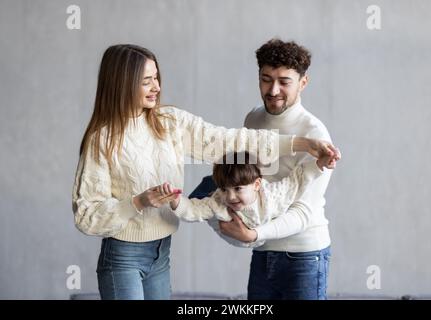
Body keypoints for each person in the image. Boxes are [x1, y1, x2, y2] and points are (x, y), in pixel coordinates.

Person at [71, 44, 340, 300]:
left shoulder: (170, 122)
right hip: (123, 256)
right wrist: (139, 202)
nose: (157, 87)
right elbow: (86, 216)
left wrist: (301, 144)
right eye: (146, 81)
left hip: (161, 253)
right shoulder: (102, 140)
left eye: (157, 78)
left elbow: (230, 141)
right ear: (122, 84)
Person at [194, 39, 337, 300]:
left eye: (284, 81)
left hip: (304, 254)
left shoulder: (315, 133)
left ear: (303, 82)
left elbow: (304, 211)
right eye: (266, 79)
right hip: (262, 252)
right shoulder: (253, 119)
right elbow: (247, 180)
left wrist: (253, 234)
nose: (273, 90)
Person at [159, 151, 328, 248]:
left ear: (256, 185)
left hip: (254, 234)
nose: (231, 196)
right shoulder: (219, 200)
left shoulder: (270, 197)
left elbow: (295, 181)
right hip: (212, 194)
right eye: (226, 190)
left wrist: (320, 164)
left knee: (227, 184)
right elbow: (194, 210)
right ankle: (216, 183)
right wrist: (175, 200)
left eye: (237, 189)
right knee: (207, 195)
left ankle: (223, 182)